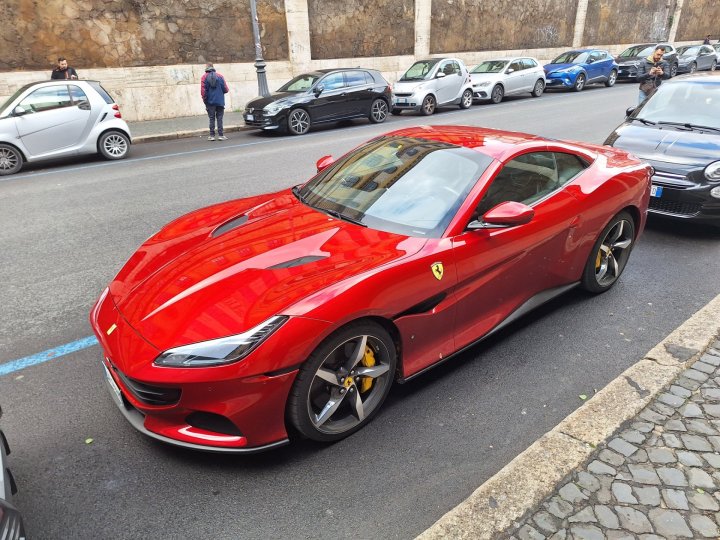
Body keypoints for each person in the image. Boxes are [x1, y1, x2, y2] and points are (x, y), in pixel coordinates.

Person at [200, 63, 229, 141]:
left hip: (210, 101)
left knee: (211, 118)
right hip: (220, 101)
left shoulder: (204, 77)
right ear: (213, 67)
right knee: (219, 118)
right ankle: (221, 135)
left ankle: (212, 136)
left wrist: (205, 100)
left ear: (206, 68)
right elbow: (226, 89)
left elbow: (203, 91)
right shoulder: (220, 76)